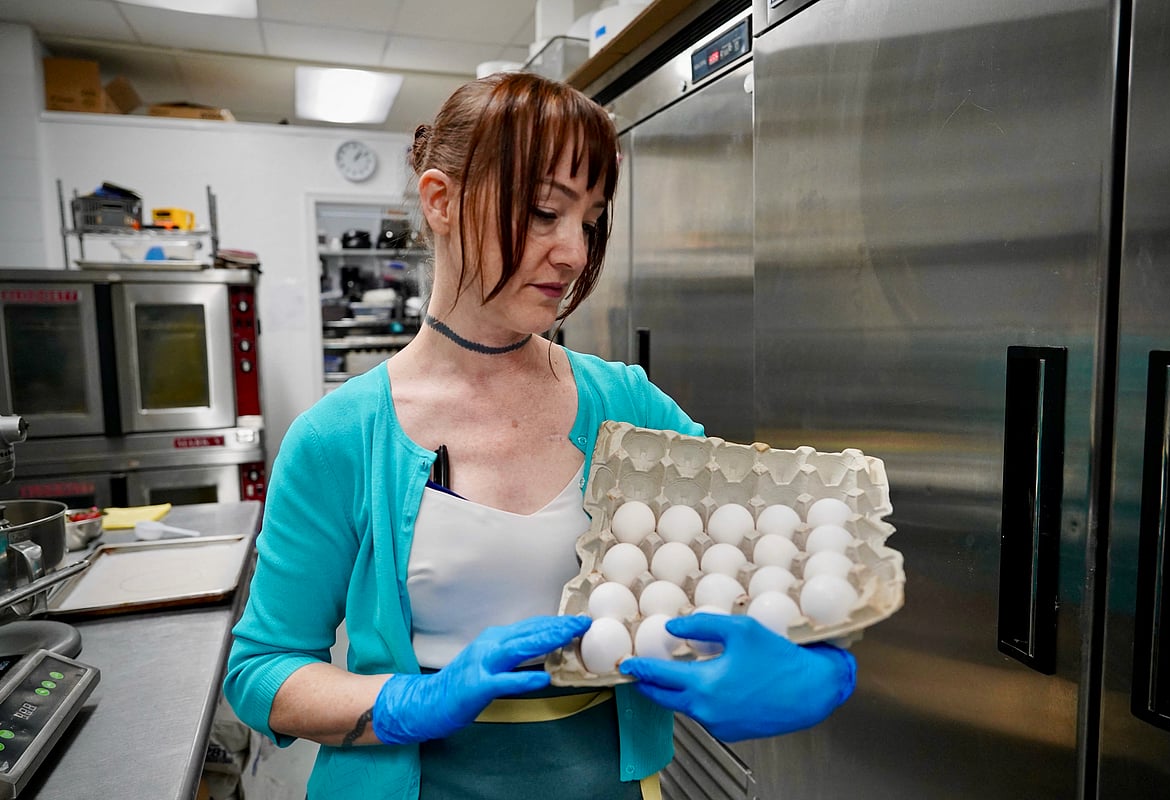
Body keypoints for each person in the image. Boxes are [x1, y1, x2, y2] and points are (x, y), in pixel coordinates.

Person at [223, 71, 856, 800]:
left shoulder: (626, 405)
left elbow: (777, 557)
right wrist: (404, 705)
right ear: (442, 202)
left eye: (588, 220)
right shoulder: (341, 438)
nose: (575, 253)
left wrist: (824, 660)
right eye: (544, 211)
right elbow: (263, 670)